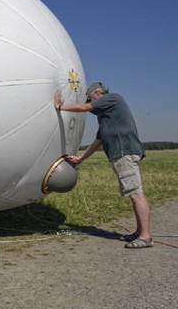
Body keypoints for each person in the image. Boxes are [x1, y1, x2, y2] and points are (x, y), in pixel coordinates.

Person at [54, 82, 152, 248]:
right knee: (133, 193)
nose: (92, 102)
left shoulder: (112, 98)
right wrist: (81, 158)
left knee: (136, 193)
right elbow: (98, 141)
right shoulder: (106, 116)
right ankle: (139, 232)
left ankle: (145, 236)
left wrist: (61, 107)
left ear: (98, 93)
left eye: (91, 97)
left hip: (124, 152)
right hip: (120, 154)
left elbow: (85, 107)